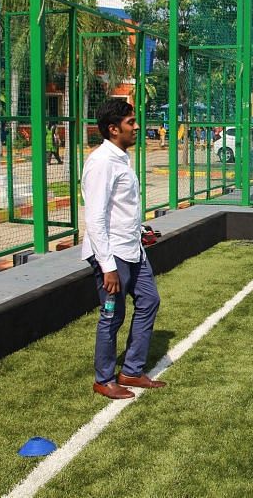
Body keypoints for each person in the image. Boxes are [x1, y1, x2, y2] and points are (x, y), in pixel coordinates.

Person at [81, 98, 166, 399]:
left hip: (132, 249)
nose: (138, 127)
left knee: (149, 300)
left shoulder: (120, 158)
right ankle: (104, 379)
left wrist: (140, 231)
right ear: (113, 129)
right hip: (112, 254)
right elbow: (94, 217)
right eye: (131, 123)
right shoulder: (101, 163)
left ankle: (131, 370)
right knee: (112, 316)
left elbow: (120, 209)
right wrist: (107, 266)